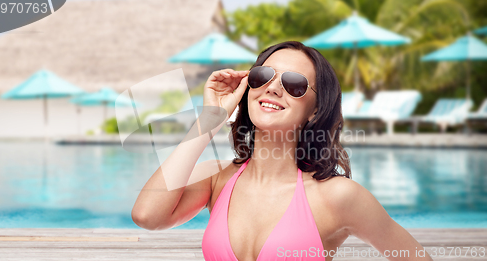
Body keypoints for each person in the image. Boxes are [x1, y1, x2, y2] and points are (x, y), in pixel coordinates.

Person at [131, 41, 433, 261]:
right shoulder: (217, 179)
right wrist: (208, 121)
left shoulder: (337, 196)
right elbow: (147, 216)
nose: (273, 88)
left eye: (294, 84)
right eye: (263, 76)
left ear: (314, 111)